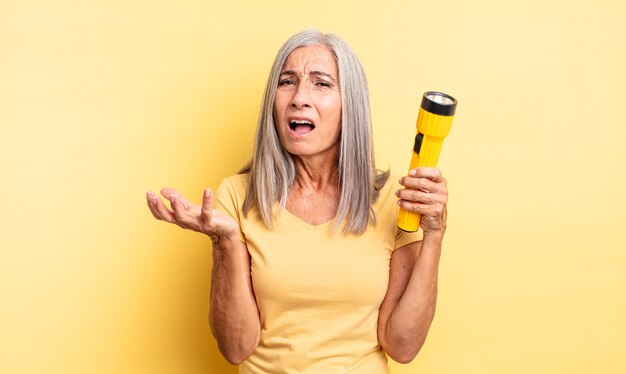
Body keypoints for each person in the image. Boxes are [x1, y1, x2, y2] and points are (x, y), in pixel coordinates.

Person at [146, 29, 448, 373]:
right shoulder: (237, 196)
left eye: (321, 83)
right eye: (287, 81)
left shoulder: (394, 201)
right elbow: (235, 348)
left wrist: (434, 236)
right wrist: (225, 241)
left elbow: (402, 346)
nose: (299, 97)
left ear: (351, 104)